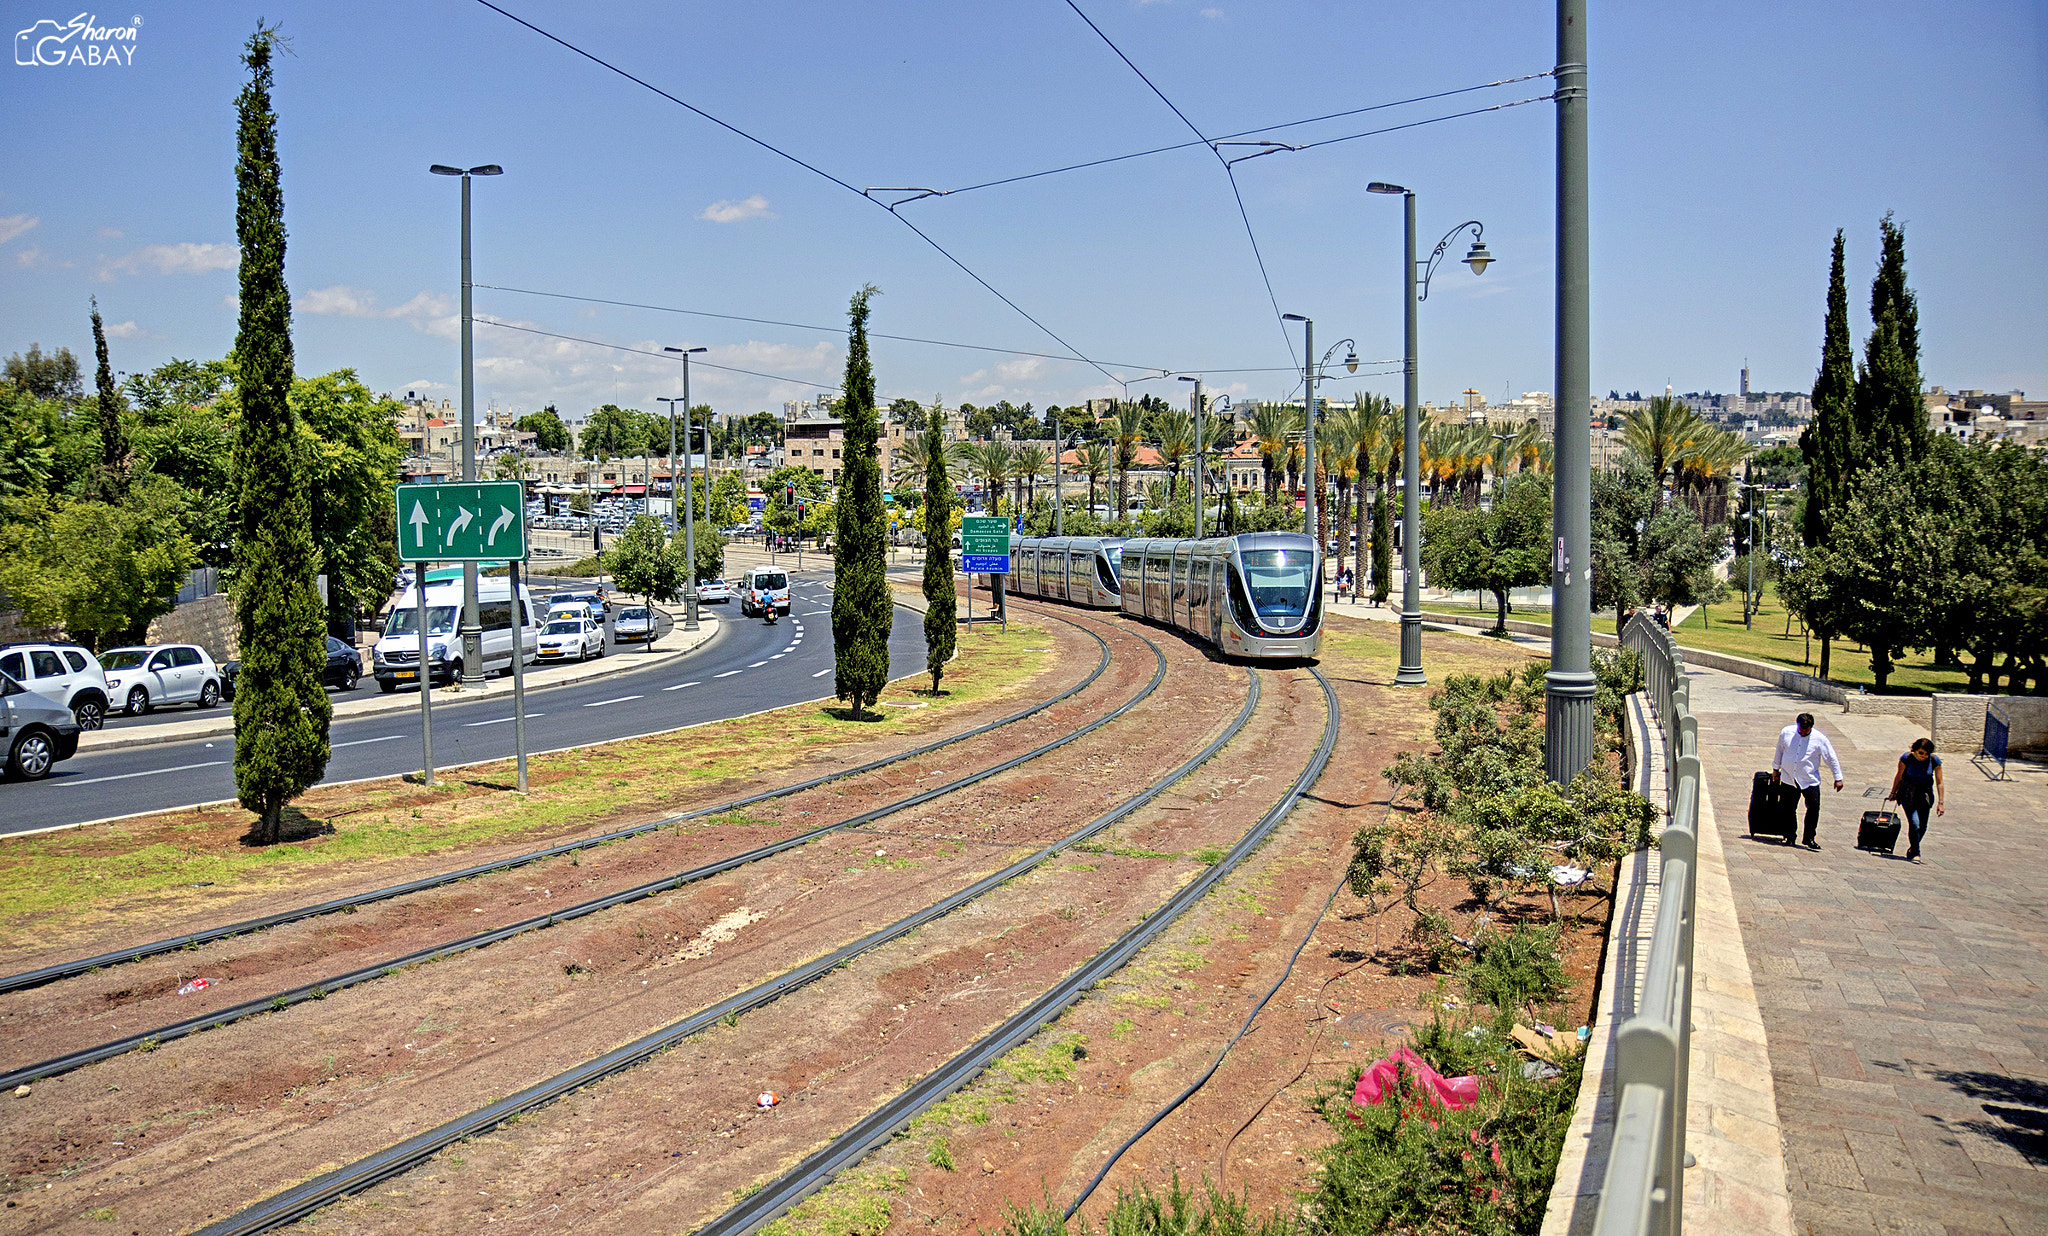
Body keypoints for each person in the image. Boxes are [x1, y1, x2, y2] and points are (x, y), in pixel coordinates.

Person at [1773, 711, 1844, 849]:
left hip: (1809, 779)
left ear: (1811, 727)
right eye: (1801, 729)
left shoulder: (1819, 739)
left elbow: (1830, 757)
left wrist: (1838, 778)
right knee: (1788, 809)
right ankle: (1790, 836)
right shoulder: (1786, 732)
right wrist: (1776, 768)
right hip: (1789, 777)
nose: (1803, 732)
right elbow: (1779, 751)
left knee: (1813, 808)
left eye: (1806, 730)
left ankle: (1809, 838)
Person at [1887, 738, 1944, 862]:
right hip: (1908, 794)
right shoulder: (1906, 758)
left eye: (1926, 754)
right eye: (1921, 753)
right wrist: (1893, 792)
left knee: (1923, 827)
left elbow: (1940, 782)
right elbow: (1899, 776)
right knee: (1914, 824)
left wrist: (1941, 803)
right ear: (1914, 751)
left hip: (1925, 796)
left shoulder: (1934, 761)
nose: (1923, 756)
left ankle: (1912, 848)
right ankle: (1916, 853)